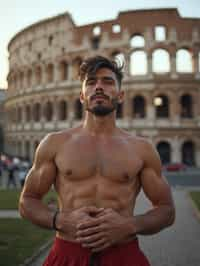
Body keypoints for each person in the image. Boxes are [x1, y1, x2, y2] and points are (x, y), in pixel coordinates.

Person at [19, 55, 175, 266]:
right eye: (91, 82)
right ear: (82, 96)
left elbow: (166, 210)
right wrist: (60, 220)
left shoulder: (141, 149)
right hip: (67, 253)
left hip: (124, 255)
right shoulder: (55, 143)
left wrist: (129, 225)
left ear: (120, 95)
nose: (99, 87)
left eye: (108, 81)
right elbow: (27, 201)